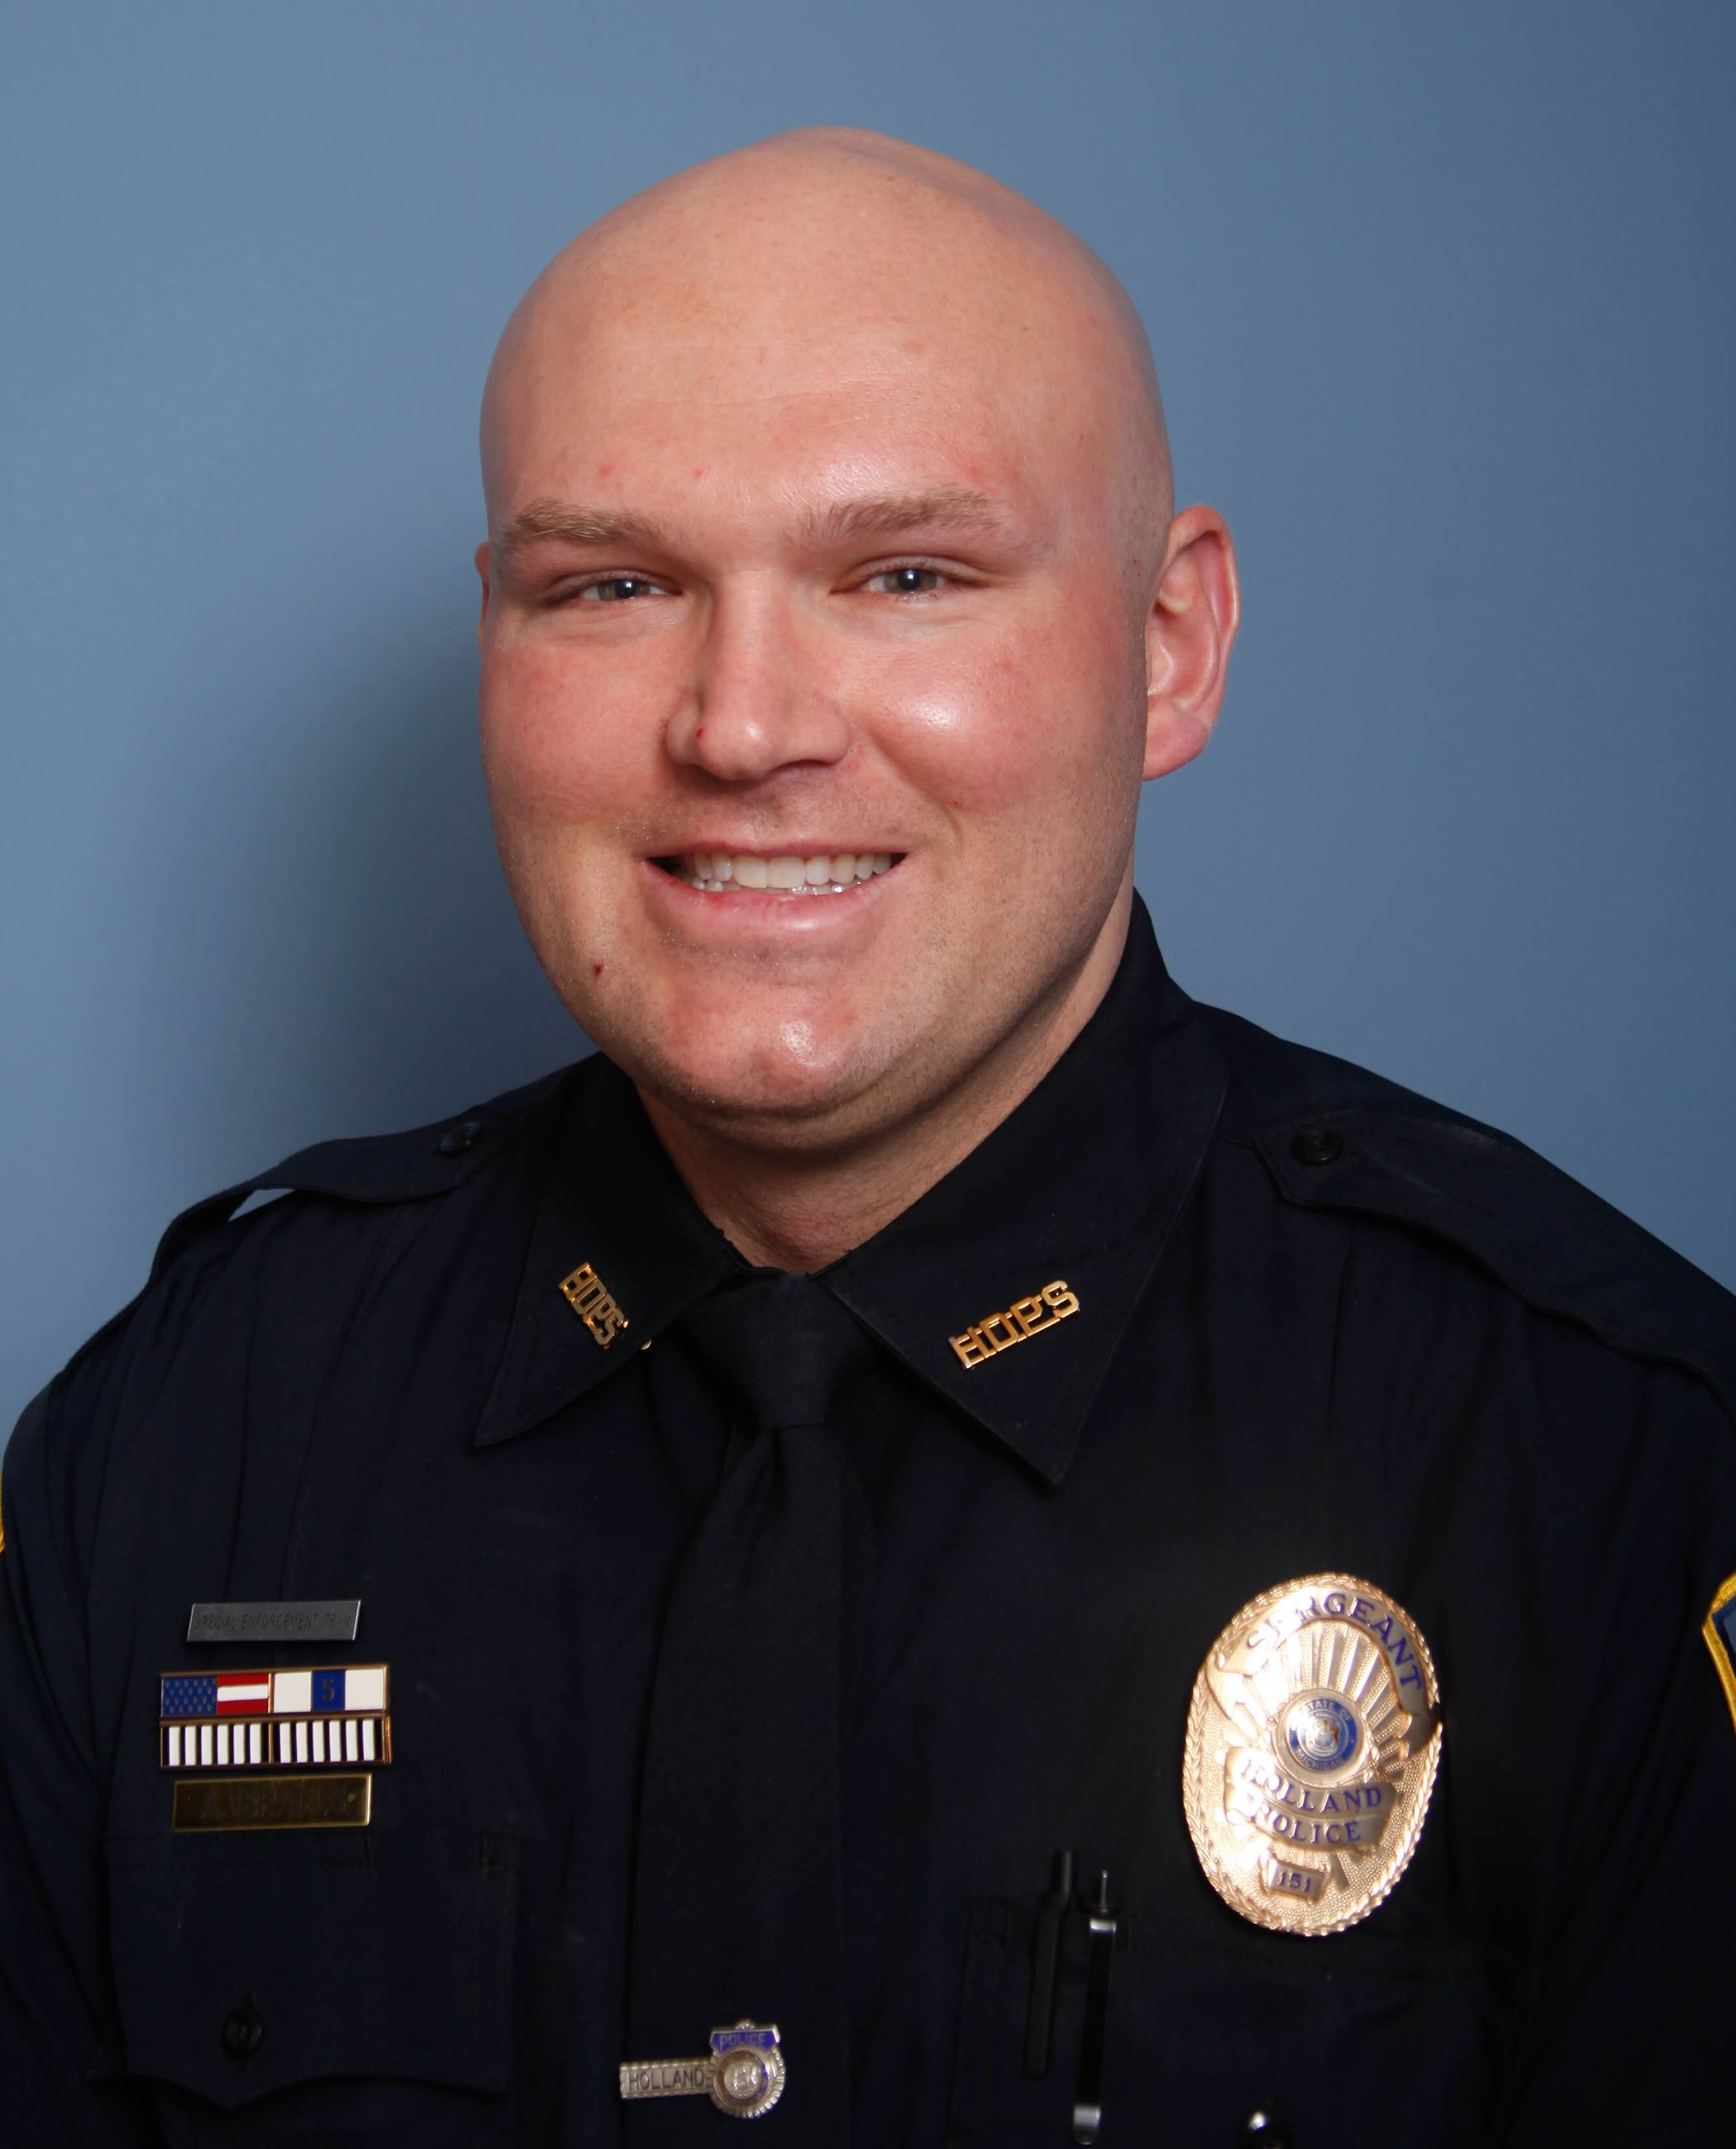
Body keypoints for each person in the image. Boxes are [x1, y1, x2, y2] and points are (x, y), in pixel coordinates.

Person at [2, 126, 1733, 2147]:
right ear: (496, 638)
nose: (743, 726)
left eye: (906, 575)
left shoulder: (1604, 1467)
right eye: (614, 583)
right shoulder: (182, 1447)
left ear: (1168, 642)